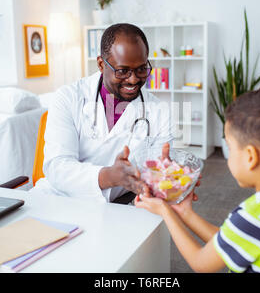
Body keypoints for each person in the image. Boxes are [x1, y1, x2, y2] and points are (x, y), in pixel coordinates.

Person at [136, 88, 260, 273]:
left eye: (230, 148)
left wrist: (166, 213)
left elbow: (201, 263)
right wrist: (184, 213)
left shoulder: (253, 217)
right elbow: (235, 243)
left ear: (250, 157)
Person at [33, 23, 173, 203]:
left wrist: (173, 180)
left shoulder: (159, 111)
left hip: (113, 210)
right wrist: (109, 176)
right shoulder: (68, 97)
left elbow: (159, 172)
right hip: (55, 200)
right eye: (122, 71)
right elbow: (57, 167)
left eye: (141, 69)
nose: (133, 79)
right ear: (101, 64)